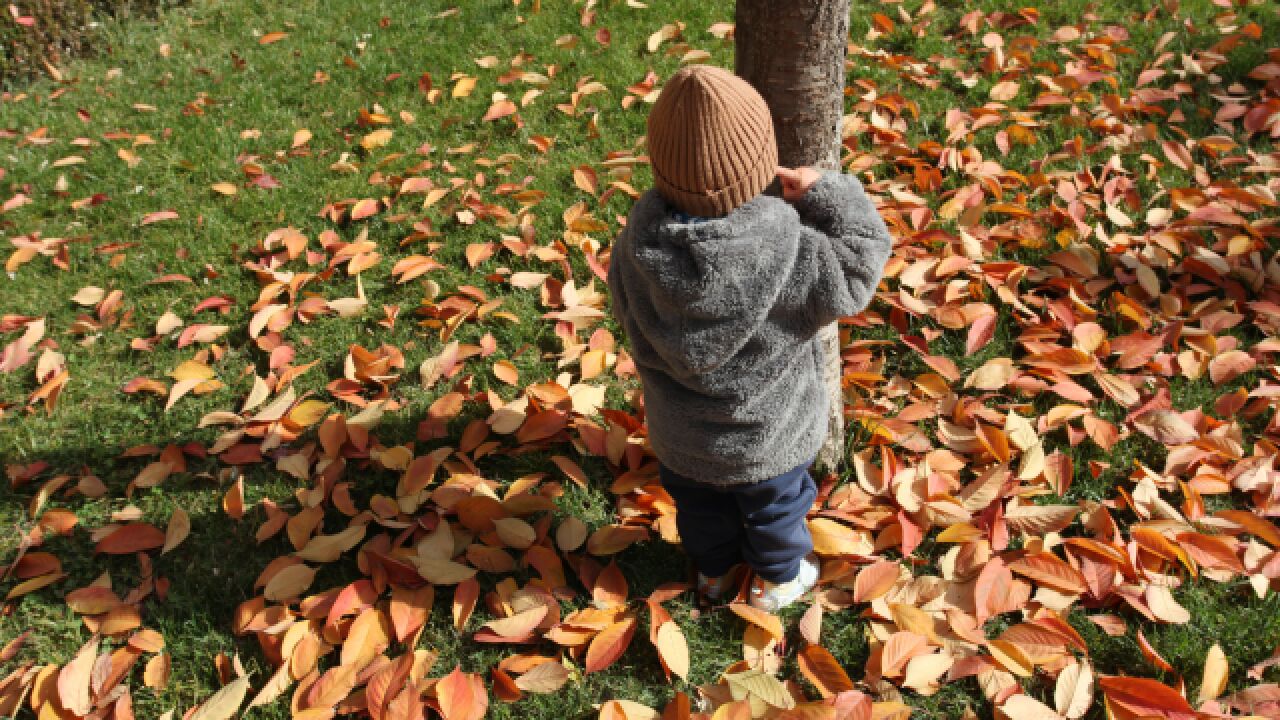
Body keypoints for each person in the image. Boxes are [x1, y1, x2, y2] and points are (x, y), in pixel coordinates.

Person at [607, 65, 893, 611]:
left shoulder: (634, 252)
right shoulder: (795, 254)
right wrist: (827, 193)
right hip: (770, 441)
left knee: (698, 511)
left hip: (682, 440)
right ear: (762, 163)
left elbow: (625, 310)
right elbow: (861, 260)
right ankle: (779, 580)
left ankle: (713, 575)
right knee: (776, 512)